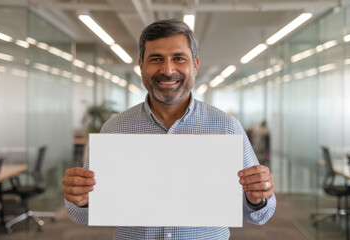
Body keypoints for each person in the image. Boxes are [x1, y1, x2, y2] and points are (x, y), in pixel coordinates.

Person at [62, 19, 276, 239]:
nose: (167, 70)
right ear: (141, 65)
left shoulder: (226, 127)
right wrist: (78, 197)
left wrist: (257, 196)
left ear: (195, 65)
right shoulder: (114, 129)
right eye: (156, 59)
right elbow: (80, 216)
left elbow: (261, 215)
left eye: (179, 58)